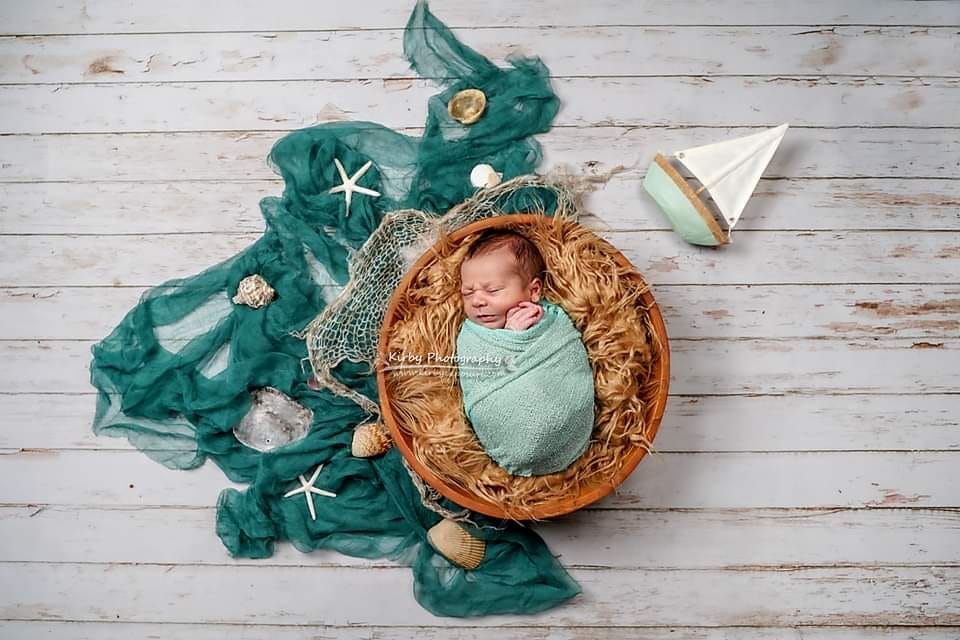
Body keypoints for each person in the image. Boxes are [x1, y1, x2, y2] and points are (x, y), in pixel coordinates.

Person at [455, 228, 595, 476]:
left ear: (533, 291)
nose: (477, 301)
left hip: (563, 409)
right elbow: (479, 374)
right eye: (468, 292)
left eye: (493, 290)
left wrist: (531, 331)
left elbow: (566, 355)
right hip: (515, 431)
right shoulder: (471, 334)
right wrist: (511, 336)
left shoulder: (552, 319)